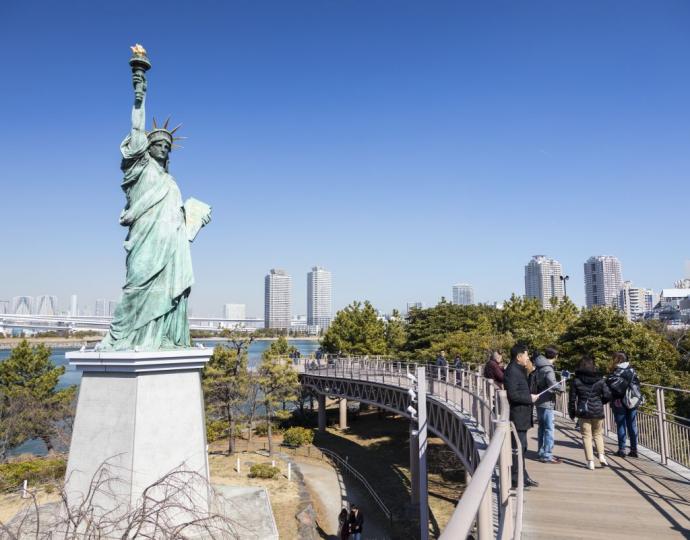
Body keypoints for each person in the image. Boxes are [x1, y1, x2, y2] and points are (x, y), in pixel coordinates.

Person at [99, 60, 210, 351]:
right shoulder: (141, 168)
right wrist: (140, 91)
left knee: (168, 291)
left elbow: (178, 216)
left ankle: (160, 337)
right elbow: (137, 127)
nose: (163, 148)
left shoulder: (171, 182)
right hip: (145, 238)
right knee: (136, 285)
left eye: (167, 147)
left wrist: (193, 217)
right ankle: (122, 337)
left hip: (170, 243)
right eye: (158, 143)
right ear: (147, 147)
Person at [504, 343, 539, 488]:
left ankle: (522, 476)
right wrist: (529, 398)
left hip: (523, 415)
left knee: (522, 447)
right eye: (526, 355)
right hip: (518, 416)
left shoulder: (519, 370)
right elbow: (513, 395)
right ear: (519, 357)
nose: (528, 357)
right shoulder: (512, 371)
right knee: (518, 447)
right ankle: (516, 479)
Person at [568, 356, 611, 469]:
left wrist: (572, 412)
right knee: (598, 434)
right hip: (597, 411)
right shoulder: (600, 380)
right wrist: (600, 402)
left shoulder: (576, 380)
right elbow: (607, 395)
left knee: (586, 436)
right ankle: (601, 456)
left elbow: (572, 399)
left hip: (584, 412)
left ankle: (590, 461)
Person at [607, 352, 640, 458]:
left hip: (618, 401)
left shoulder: (615, 371)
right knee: (632, 425)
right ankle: (634, 450)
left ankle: (622, 449)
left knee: (621, 425)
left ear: (617, 360)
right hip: (632, 401)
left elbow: (610, 386)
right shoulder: (632, 370)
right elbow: (637, 385)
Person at [534, 346, 563, 464]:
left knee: (541, 428)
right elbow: (552, 384)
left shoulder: (539, 366)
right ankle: (547, 455)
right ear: (555, 356)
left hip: (539, 400)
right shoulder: (548, 369)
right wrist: (561, 388)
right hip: (547, 402)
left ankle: (541, 452)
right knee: (549, 429)